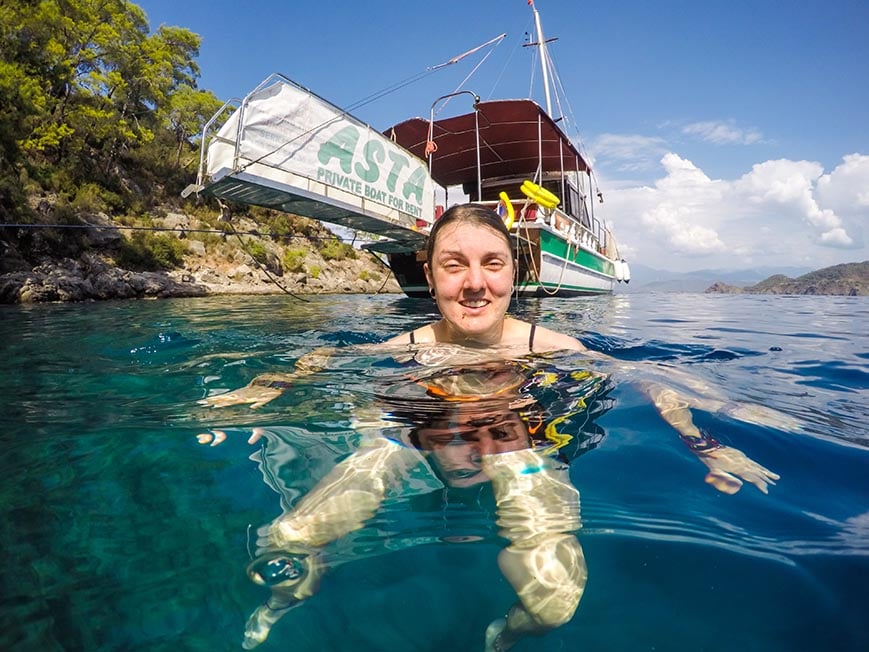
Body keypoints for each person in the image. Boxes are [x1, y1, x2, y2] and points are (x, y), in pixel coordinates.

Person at [198, 203, 783, 650]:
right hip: (413, 436)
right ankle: (301, 585)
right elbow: (322, 357)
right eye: (455, 266)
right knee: (288, 542)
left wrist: (708, 444)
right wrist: (262, 388)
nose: (475, 283)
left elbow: (653, 381)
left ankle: (503, 633)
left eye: (491, 264)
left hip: (517, 443)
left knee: (555, 604)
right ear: (431, 277)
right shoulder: (403, 347)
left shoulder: (555, 347)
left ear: (513, 274)